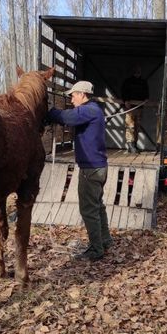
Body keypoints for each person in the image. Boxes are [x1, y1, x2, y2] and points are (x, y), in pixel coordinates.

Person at [47, 80, 113, 261]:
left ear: (82, 94)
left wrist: (51, 112)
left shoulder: (88, 110)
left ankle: (96, 249)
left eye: (73, 95)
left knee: (88, 210)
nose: (71, 98)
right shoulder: (93, 110)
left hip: (91, 169)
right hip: (98, 166)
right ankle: (105, 241)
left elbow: (68, 117)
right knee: (98, 207)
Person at [120, 65, 149, 153]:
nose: (137, 72)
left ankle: (134, 145)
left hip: (139, 107)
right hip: (130, 107)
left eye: (139, 71)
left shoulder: (143, 82)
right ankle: (130, 145)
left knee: (137, 127)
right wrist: (126, 101)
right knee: (130, 126)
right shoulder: (128, 81)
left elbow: (146, 93)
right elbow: (124, 91)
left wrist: (146, 98)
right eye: (136, 71)